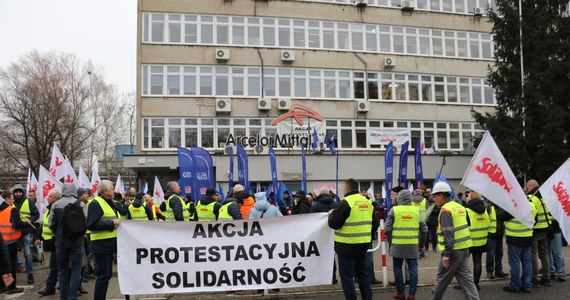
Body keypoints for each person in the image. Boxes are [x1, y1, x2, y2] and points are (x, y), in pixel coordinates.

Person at [328, 178, 378, 300]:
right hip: (363, 245)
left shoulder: (346, 202)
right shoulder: (367, 202)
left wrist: (331, 215)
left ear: (347, 189)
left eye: (343, 188)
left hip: (346, 246)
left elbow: (334, 223)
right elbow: (375, 223)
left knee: (346, 276)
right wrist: (367, 236)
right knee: (363, 274)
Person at [430, 181, 478, 300]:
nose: (433, 200)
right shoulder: (460, 207)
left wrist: (446, 255)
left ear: (441, 196)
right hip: (464, 249)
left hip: (452, 252)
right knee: (467, 282)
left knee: (441, 281)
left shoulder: (446, 210)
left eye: (434, 197)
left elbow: (448, 234)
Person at [385, 190, 427, 300]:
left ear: (399, 199)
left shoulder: (394, 210)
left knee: (397, 268)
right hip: (413, 244)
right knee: (413, 269)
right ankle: (412, 295)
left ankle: (400, 293)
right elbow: (424, 229)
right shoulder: (417, 211)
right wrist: (421, 244)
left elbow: (387, 229)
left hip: (397, 244)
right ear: (410, 199)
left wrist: (391, 241)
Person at [49, 183, 86, 300]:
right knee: (76, 270)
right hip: (77, 242)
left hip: (61, 242)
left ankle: (63, 297)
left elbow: (51, 224)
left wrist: (58, 233)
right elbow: (86, 223)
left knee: (62, 270)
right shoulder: (81, 204)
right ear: (74, 191)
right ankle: (73, 297)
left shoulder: (55, 205)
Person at [86, 180, 121, 300]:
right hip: (101, 246)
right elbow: (91, 224)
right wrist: (111, 223)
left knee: (106, 276)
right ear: (105, 191)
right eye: (112, 188)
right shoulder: (96, 203)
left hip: (108, 246)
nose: (114, 191)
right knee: (102, 277)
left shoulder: (110, 202)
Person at [498, 192, 537, 293]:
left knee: (515, 263)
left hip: (514, 239)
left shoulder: (514, 207)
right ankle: (527, 285)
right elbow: (535, 221)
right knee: (527, 263)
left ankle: (515, 285)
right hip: (527, 238)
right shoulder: (532, 206)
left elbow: (500, 216)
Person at [0, 189, 27, 294]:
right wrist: (29, 224)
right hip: (10, 241)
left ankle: (2, 287)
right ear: (7, 199)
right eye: (12, 198)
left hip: (1, 240)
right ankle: (11, 287)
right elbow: (17, 224)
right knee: (10, 264)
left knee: (1, 264)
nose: (13, 200)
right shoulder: (12, 209)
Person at [11, 184, 39, 284]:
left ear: (23, 192)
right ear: (13, 193)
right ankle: (13, 276)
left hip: (26, 232)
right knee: (12, 255)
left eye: (20, 191)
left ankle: (30, 275)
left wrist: (30, 220)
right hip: (14, 232)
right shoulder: (11, 203)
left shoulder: (29, 202)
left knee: (28, 254)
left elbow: (36, 214)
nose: (18, 194)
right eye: (16, 192)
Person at [526, 179, 552, 287]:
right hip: (546, 228)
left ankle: (534, 278)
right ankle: (546, 277)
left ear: (529, 188)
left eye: (527, 188)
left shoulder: (531, 198)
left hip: (535, 229)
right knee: (544, 254)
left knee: (533, 254)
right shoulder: (545, 196)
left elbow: (529, 213)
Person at [464, 191, 489, 291]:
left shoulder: (467, 211)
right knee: (477, 261)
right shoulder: (485, 210)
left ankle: (465, 284)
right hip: (482, 240)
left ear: (472, 198)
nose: (466, 198)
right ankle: (476, 284)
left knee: (464, 263)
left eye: (468, 196)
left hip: (468, 241)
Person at [37, 189, 61, 296]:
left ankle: (50, 287)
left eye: (50, 196)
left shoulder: (57, 209)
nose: (48, 197)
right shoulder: (48, 209)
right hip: (51, 242)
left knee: (55, 266)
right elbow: (43, 224)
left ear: (56, 198)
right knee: (55, 266)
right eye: (48, 196)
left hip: (56, 242)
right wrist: (38, 237)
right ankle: (52, 286)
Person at [485, 200, 508, 279]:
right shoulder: (488, 207)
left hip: (500, 233)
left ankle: (498, 270)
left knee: (499, 253)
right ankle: (489, 271)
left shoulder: (501, 206)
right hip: (491, 233)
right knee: (491, 253)